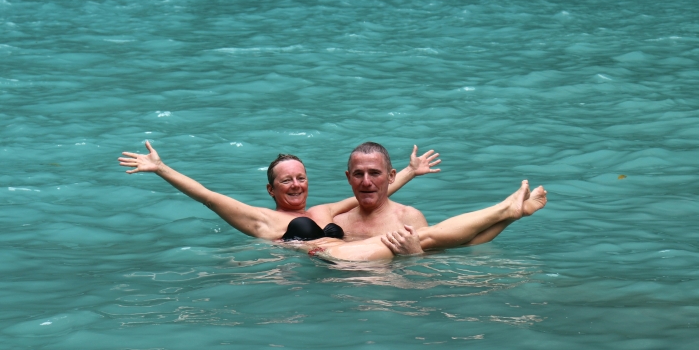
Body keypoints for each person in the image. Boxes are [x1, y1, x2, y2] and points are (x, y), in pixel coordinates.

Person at [117, 141, 442, 242]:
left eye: (300, 178)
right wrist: (161, 169)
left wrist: (410, 172)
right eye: (286, 181)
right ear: (271, 190)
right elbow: (207, 196)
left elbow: (370, 192)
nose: (296, 185)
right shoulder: (263, 220)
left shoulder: (324, 213)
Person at [293, 141, 547, 261]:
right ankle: (508, 211)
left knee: (431, 238)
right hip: (346, 300)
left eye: (375, 174)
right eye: (359, 174)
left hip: (390, 301)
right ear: (349, 178)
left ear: (391, 176)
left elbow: (448, 253)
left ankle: (510, 212)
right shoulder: (335, 221)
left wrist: (414, 255)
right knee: (433, 235)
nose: (366, 182)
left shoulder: (408, 218)